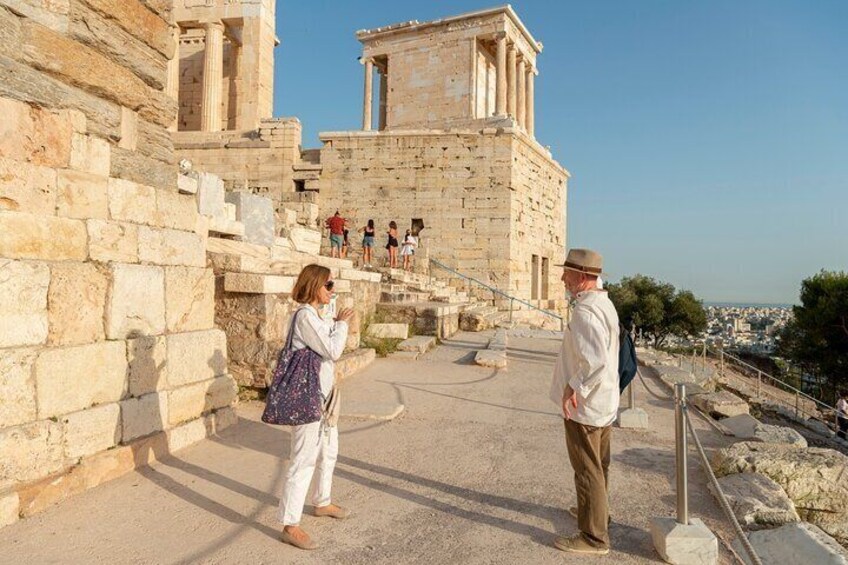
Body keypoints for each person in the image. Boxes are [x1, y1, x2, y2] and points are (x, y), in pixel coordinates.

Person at [278, 264, 355, 551]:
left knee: (328, 452)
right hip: (307, 396)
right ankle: (290, 524)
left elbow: (327, 343)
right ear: (315, 287)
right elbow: (332, 349)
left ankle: (322, 501)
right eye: (328, 285)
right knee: (303, 458)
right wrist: (343, 325)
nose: (332, 290)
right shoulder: (304, 317)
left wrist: (335, 322)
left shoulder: (317, 316)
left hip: (324, 395)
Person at [549, 249, 620, 556]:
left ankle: (593, 538)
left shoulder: (585, 312)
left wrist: (571, 388)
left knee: (586, 467)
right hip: (603, 401)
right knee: (598, 464)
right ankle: (596, 514)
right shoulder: (603, 304)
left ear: (581, 276)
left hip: (587, 404)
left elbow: (595, 362)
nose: (562, 277)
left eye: (567, 272)